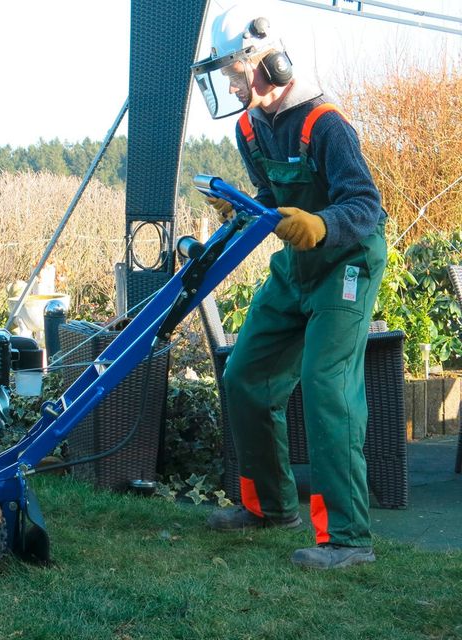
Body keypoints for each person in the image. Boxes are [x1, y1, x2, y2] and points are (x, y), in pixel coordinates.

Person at [190, 4, 387, 569]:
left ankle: (348, 539)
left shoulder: (324, 124)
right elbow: (272, 201)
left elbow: (366, 206)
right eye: (224, 74)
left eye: (234, 71)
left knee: (326, 383)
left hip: (347, 260)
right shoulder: (249, 127)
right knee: (246, 373)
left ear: (269, 63)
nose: (229, 83)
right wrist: (239, 205)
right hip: (297, 264)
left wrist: (323, 224)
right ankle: (271, 507)